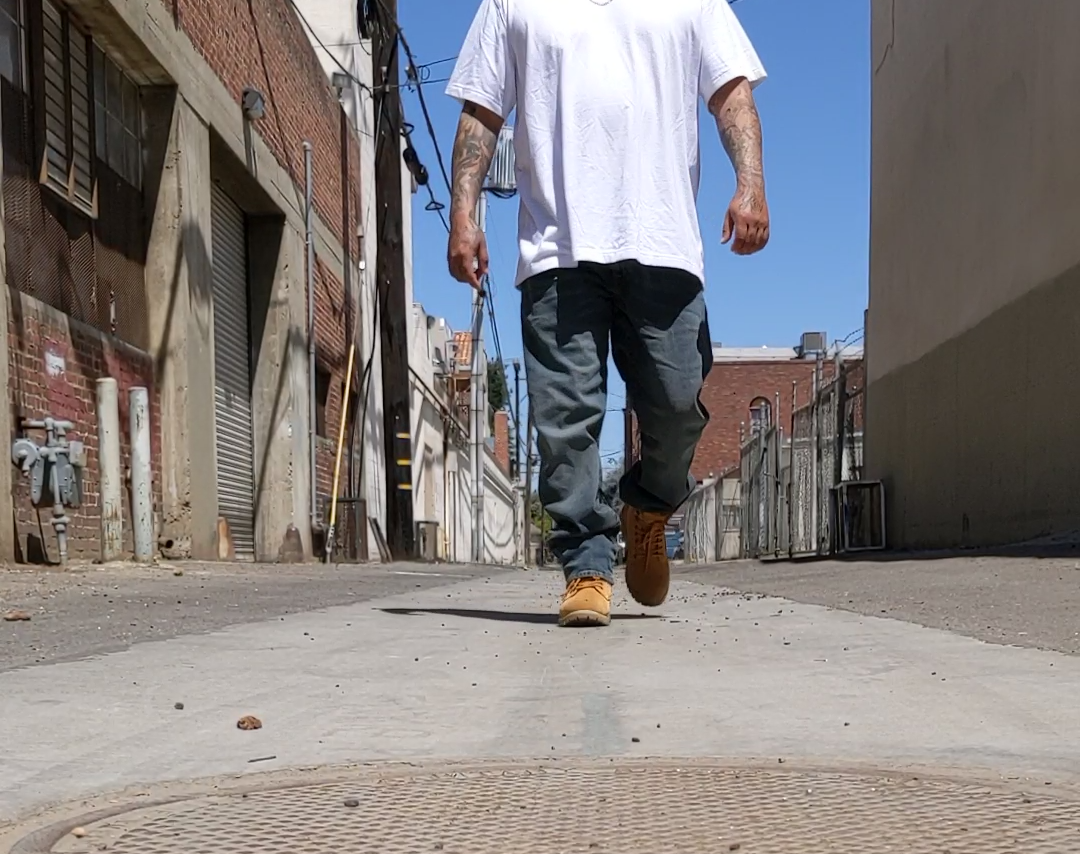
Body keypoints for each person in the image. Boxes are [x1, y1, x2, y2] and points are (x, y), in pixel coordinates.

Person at [446, 0, 769, 627]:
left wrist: (750, 183)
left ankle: (646, 507)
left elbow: (731, 93)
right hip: (556, 248)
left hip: (663, 239)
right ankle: (586, 565)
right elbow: (481, 110)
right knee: (564, 419)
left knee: (677, 405)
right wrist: (464, 214)